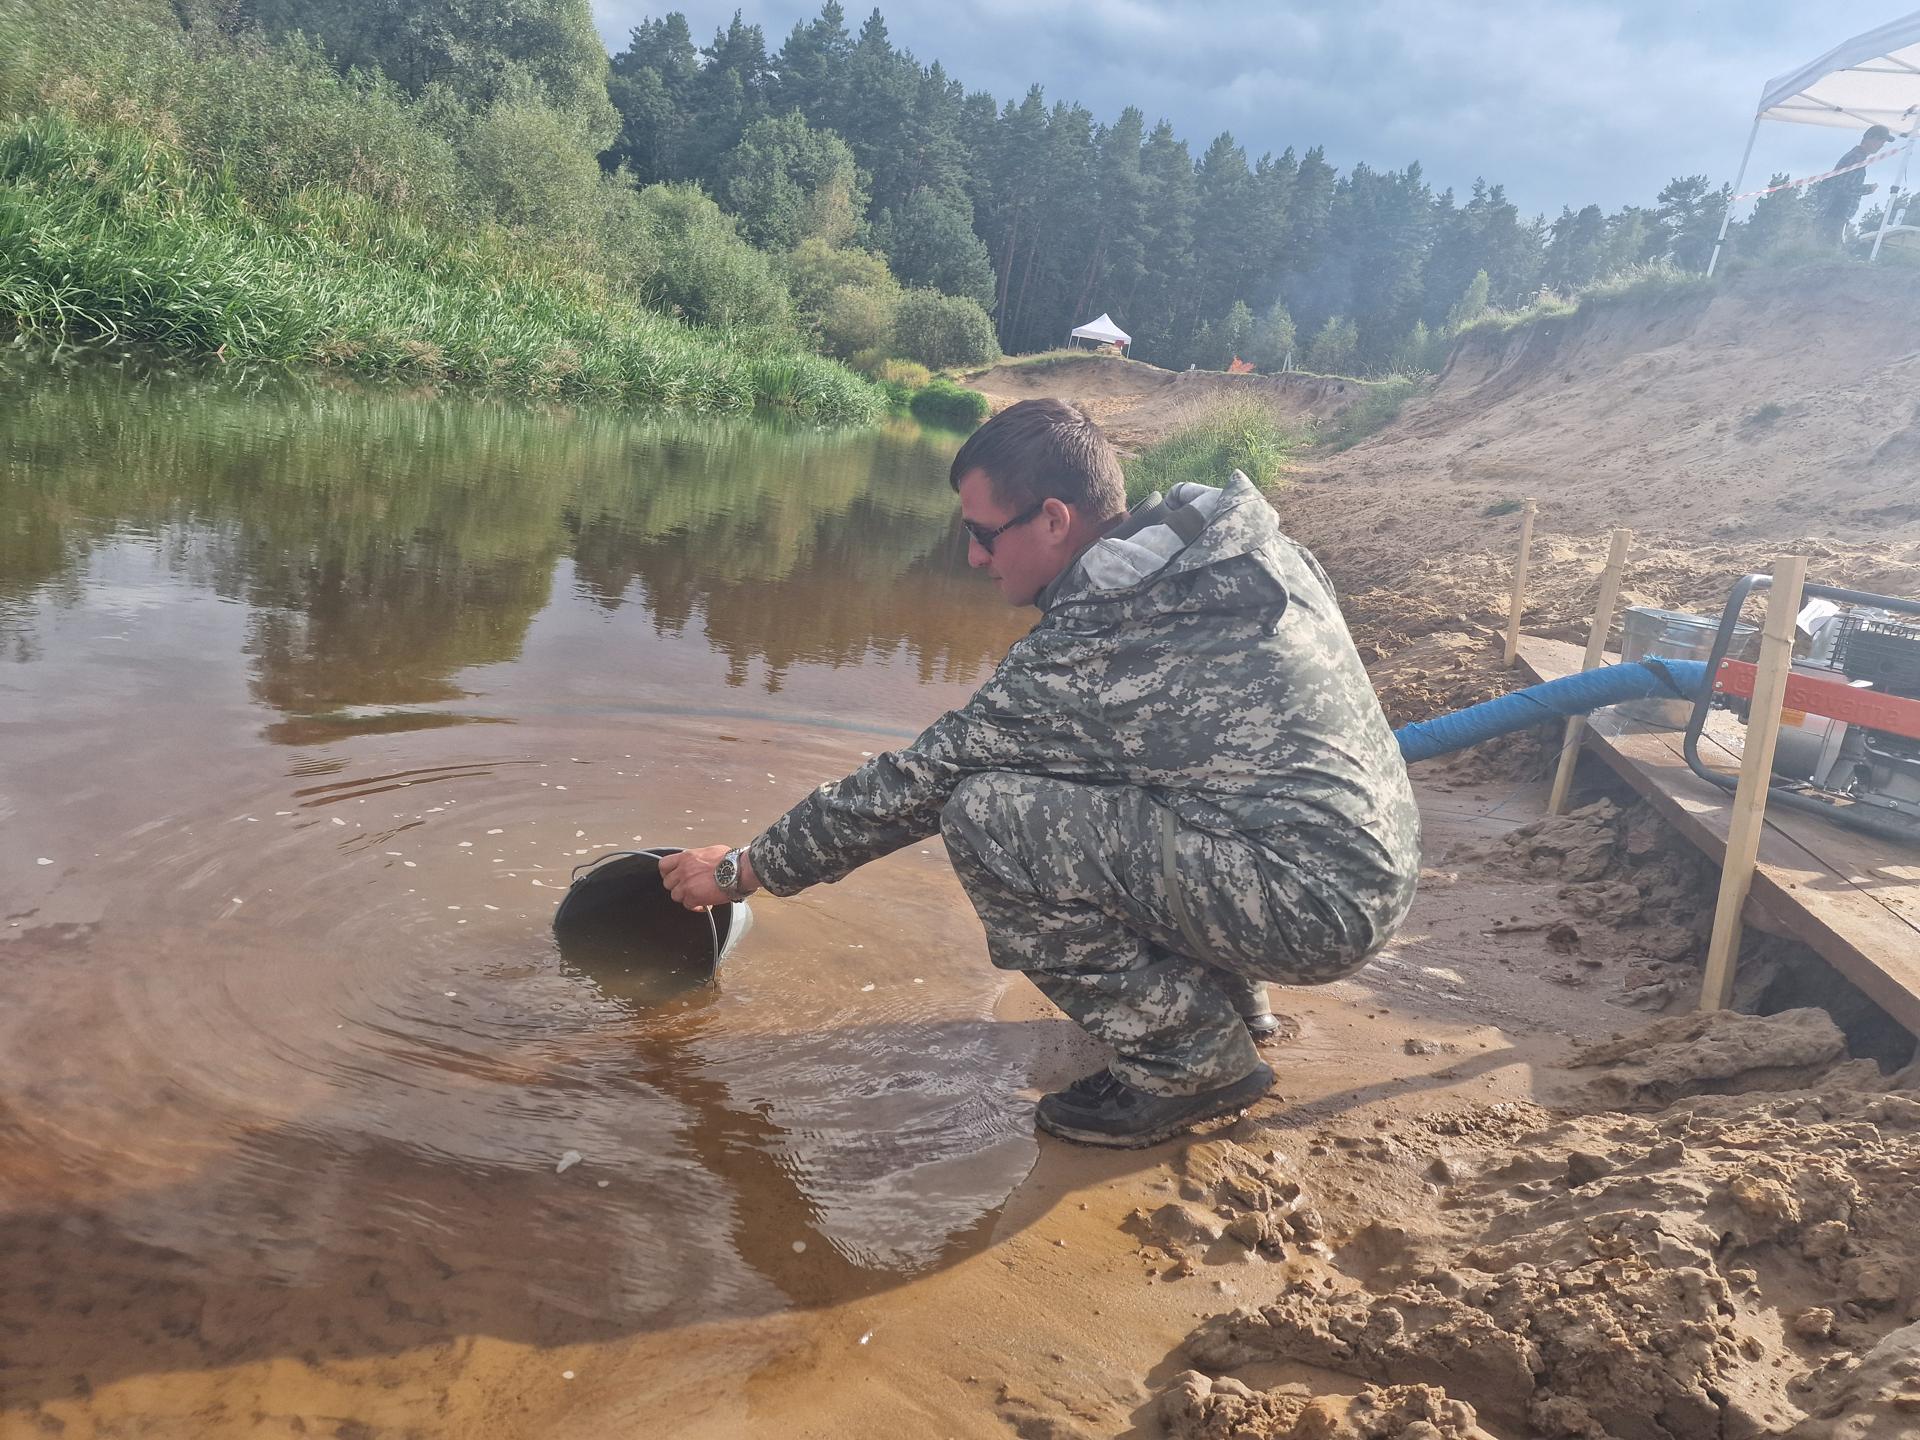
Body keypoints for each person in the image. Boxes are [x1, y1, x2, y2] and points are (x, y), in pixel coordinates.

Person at [660, 398, 1420, 1148]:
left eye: (983, 535)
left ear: (1055, 520)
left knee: (985, 814)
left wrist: (739, 871)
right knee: (1099, 780)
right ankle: (1227, 1000)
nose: (974, 559)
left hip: (1311, 907)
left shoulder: (1108, 629)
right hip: (1364, 868)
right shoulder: (1219, 550)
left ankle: (1188, 1062)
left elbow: (917, 781)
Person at [1816, 124, 1893, 247]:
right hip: (1837, 211)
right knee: (1832, 248)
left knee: (1831, 246)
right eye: (1880, 140)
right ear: (1869, 138)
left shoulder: (1856, 156)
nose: (1882, 145)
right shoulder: (1856, 158)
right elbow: (1845, 187)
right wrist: (1869, 189)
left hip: (1835, 211)